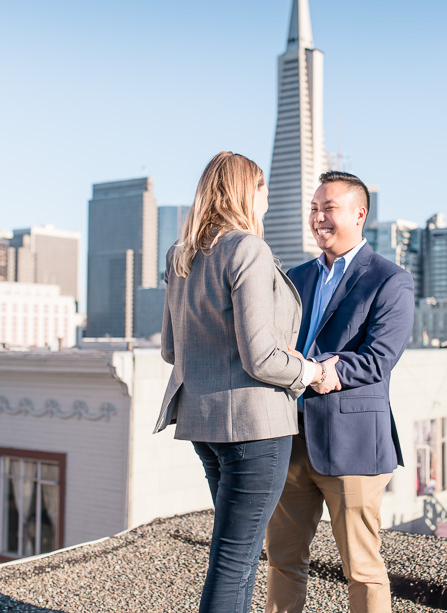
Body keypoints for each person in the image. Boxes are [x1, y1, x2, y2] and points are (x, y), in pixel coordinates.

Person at [154, 152, 339, 613]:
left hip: (204, 424)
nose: (268, 201)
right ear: (244, 193)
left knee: (230, 554)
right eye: (262, 190)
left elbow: (171, 350)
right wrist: (311, 372)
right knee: (236, 561)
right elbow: (260, 357)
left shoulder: (183, 255)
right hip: (255, 429)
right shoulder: (246, 249)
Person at [265, 170, 415, 613]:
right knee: (282, 560)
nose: (317, 218)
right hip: (289, 439)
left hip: (352, 448)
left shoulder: (390, 280)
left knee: (362, 570)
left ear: (359, 214)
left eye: (328, 208)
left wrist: (316, 370)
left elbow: (377, 359)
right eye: (313, 209)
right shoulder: (294, 276)